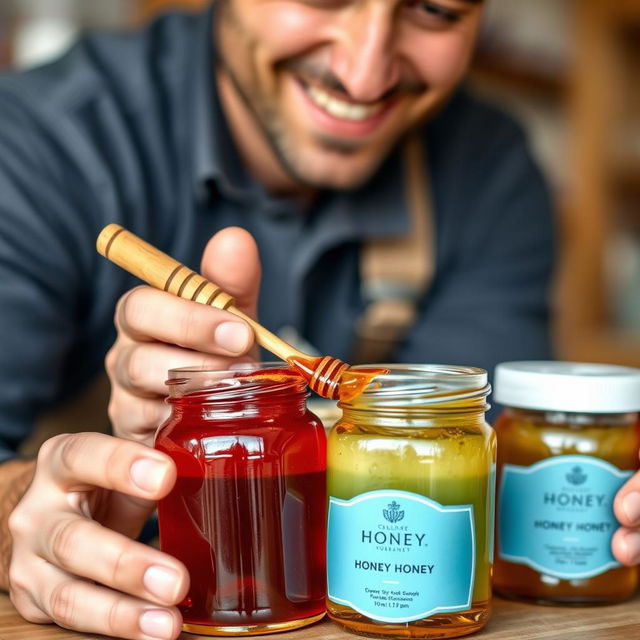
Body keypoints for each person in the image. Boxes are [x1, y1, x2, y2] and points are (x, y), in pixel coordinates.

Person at [0, 0, 638, 639]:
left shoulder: (491, 168)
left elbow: (458, 475)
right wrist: (39, 511)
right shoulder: (35, 143)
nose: (365, 75)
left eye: (436, 10)